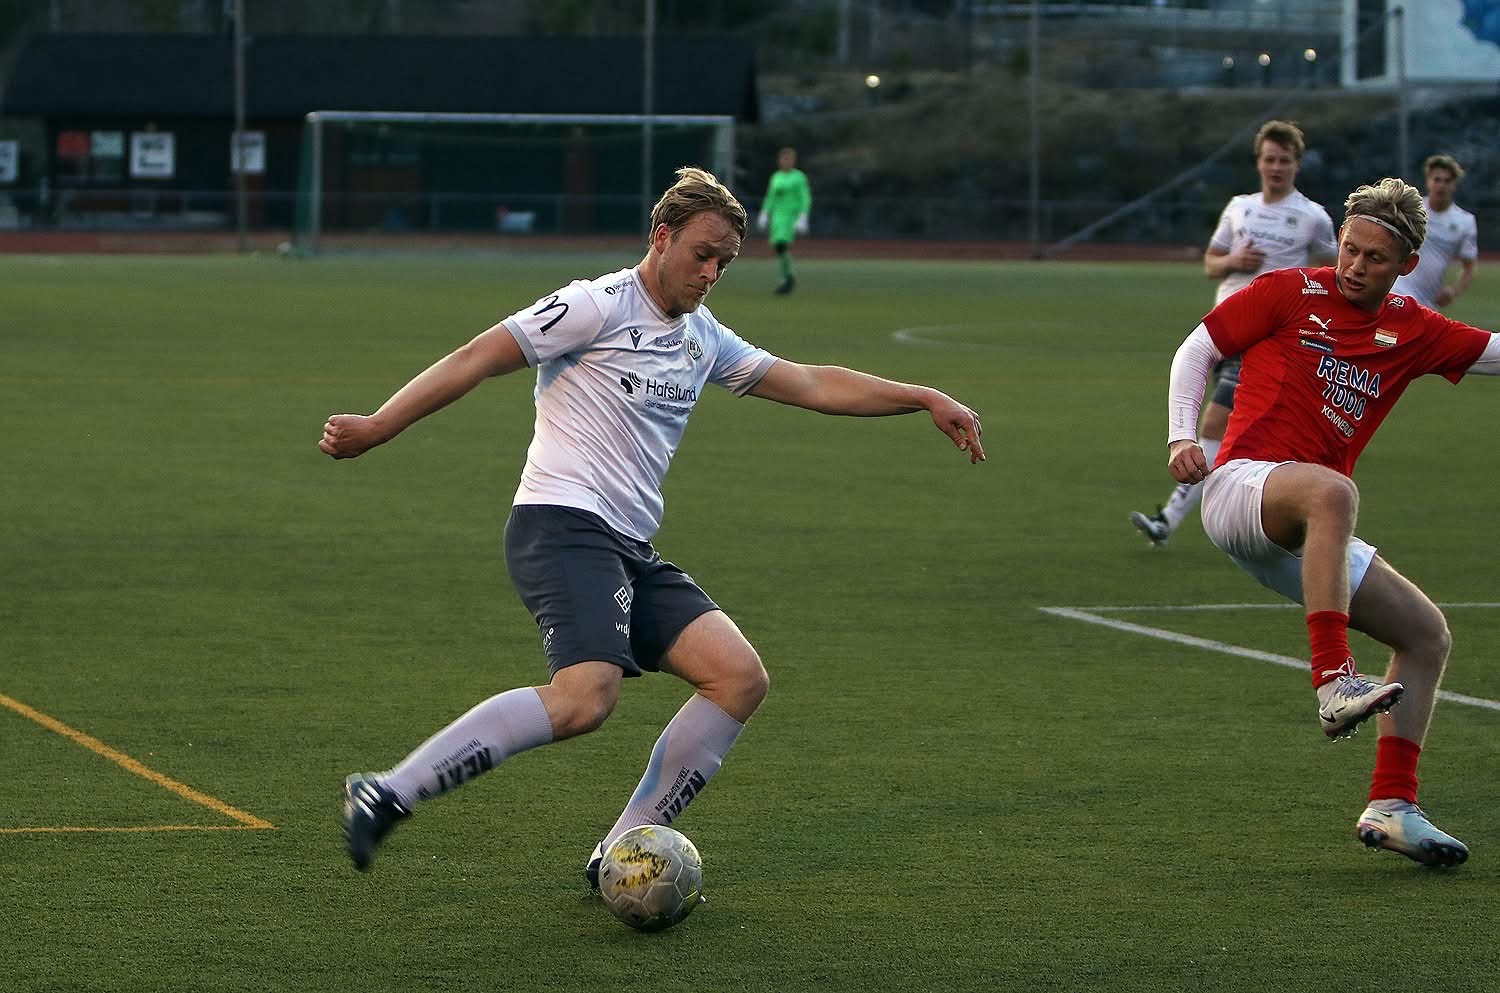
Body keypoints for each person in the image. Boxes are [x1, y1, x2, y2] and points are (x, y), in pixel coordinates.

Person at [319, 166, 984, 882]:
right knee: (585, 697)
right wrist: (380, 424)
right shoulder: (594, 305)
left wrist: (920, 396)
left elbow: (812, 381)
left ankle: (622, 847)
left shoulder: (704, 338)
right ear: (661, 238)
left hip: (626, 544)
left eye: (725, 262)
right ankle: (388, 790)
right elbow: (478, 356)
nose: (711, 272)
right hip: (561, 522)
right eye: (702, 253)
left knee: (738, 678)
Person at [1161, 177, 1500, 867]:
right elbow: (1197, 349)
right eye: (1350, 248)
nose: (1354, 265)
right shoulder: (1291, 291)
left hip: (1308, 530)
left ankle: (1393, 804)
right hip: (1242, 490)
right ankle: (1332, 679)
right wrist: (1180, 436)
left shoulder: (1414, 328)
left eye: (1374, 258)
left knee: (1426, 635)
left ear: (1405, 265)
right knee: (1334, 492)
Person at [1131, 121, 1337, 546]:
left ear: (1297, 165)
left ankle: (1171, 517)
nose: (1276, 167)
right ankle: (1276, 513)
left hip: (1267, 337)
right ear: (1258, 162)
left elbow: (1330, 277)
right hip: (1223, 330)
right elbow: (1211, 262)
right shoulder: (1239, 208)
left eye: (1284, 160)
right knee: (1241, 434)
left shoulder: (1313, 218)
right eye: (1269, 159)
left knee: (1215, 419)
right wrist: (1234, 261)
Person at [1392, 154, 1478, 310]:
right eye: (1437, 179)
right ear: (1428, 181)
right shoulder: (1412, 210)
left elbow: (1469, 267)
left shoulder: (1465, 222)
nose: (1441, 185)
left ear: (1454, 185)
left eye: (1447, 181)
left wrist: (1453, 290)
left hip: (1428, 301)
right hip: (1398, 289)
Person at [756, 147, 812, 295]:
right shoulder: (776, 177)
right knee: (778, 247)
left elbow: (804, 197)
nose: (786, 162)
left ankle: (788, 278)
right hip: (777, 217)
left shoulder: (799, 177)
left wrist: (803, 216)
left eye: (788, 159)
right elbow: (771, 197)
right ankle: (787, 276)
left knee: (781, 245)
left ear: (793, 161)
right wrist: (765, 212)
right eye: (783, 159)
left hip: (790, 217)